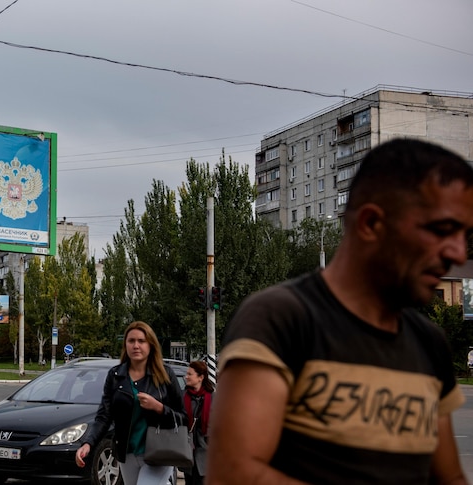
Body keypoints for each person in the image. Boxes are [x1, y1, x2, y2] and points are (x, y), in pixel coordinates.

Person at [207, 138, 473, 485]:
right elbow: (235, 475)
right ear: (371, 224)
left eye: (464, 235)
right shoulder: (281, 319)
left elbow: (449, 477)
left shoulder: (428, 342)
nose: (456, 253)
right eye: (441, 230)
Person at [75, 321, 186, 485]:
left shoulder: (165, 374)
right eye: (131, 341)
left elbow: (183, 417)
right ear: (125, 344)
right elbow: (104, 416)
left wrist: (159, 408)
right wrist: (88, 443)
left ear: (151, 345)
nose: (136, 345)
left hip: (159, 451)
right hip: (127, 453)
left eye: (141, 341)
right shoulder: (115, 376)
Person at [184, 360, 214, 485]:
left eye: (190, 374)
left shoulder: (213, 398)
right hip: (187, 455)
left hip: (207, 455)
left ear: (200, 377)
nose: (186, 377)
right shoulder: (183, 397)